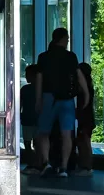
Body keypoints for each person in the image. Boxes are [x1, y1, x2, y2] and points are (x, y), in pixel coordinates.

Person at [34, 28, 90, 178]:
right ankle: (64, 167)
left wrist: (38, 99)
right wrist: (86, 94)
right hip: (67, 99)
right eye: (67, 39)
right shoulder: (71, 56)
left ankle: (46, 162)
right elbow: (79, 76)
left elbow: (39, 79)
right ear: (64, 39)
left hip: (48, 97)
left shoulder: (44, 57)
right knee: (67, 134)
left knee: (44, 132)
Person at [72, 62, 96, 177]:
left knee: (84, 142)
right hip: (88, 118)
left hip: (85, 118)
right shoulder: (89, 86)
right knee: (84, 141)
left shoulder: (83, 88)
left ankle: (86, 166)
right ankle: (86, 165)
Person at [19, 64, 40, 171]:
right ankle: (38, 163)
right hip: (38, 119)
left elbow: (20, 105)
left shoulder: (24, 89)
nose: (26, 76)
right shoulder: (42, 89)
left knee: (27, 143)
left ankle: (31, 164)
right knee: (37, 143)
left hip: (27, 119)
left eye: (28, 74)